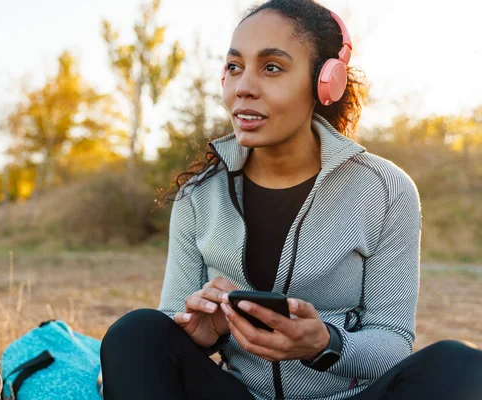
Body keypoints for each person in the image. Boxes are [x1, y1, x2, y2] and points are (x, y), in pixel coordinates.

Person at [100, 0, 482, 399]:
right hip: (241, 394)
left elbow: (392, 343)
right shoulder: (200, 195)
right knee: (137, 333)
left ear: (325, 83)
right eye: (234, 67)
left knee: (459, 365)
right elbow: (167, 336)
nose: (244, 86)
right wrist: (200, 334)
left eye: (271, 67)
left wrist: (326, 343)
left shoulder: (385, 190)